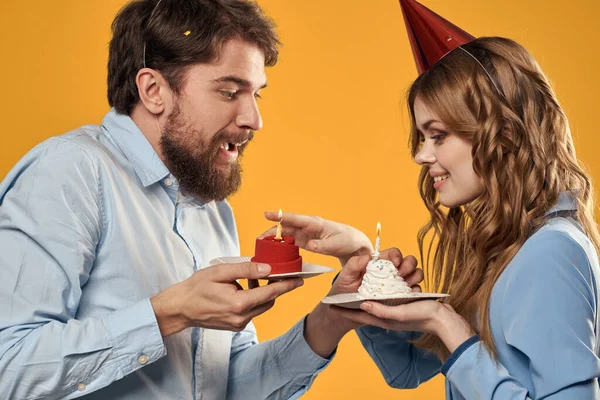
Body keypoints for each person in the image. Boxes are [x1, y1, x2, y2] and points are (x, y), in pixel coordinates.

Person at [0, 0, 425, 398]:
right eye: (229, 92)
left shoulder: (210, 206)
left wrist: (332, 318)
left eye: (256, 93)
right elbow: (9, 365)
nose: (254, 119)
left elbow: (225, 386)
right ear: (153, 91)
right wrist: (170, 313)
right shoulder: (70, 170)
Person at [265, 1, 600, 398]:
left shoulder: (549, 251)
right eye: (423, 137)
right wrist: (361, 262)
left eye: (438, 135)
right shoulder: (505, 247)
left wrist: (448, 323)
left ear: (505, 135)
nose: (422, 155)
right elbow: (406, 368)